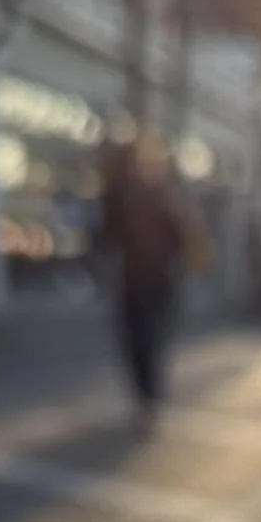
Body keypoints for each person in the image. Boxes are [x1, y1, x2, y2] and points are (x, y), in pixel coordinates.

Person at [98, 131, 190, 422]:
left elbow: (107, 234)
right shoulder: (150, 192)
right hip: (147, 278)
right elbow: (179, 235)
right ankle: (148, 395)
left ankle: (147, 395)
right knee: (145, 340)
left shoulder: (145, 193)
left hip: (147, 278)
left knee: (143, 340)